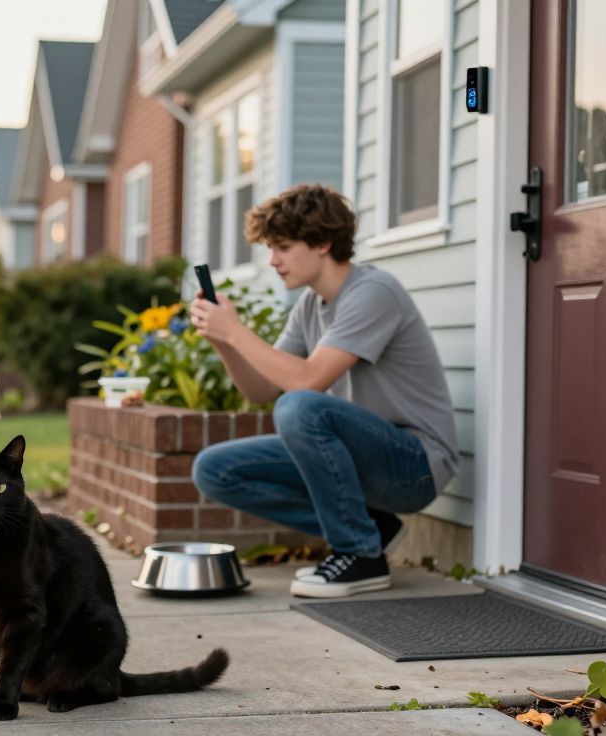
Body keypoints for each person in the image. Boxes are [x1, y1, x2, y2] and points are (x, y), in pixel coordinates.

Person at [188, 184, 459, 599]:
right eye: (270, 248)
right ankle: (372, 530)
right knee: (214, 470)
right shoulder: (310, 306)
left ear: (322, 243)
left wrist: (238, 331)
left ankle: (360, 554)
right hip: (363, 460)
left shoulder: (373, 292)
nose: (273, 261)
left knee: (300, 407)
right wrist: (222, 338)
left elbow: (307, 381)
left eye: (282, 247)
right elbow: (260, 389)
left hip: (414, 465)